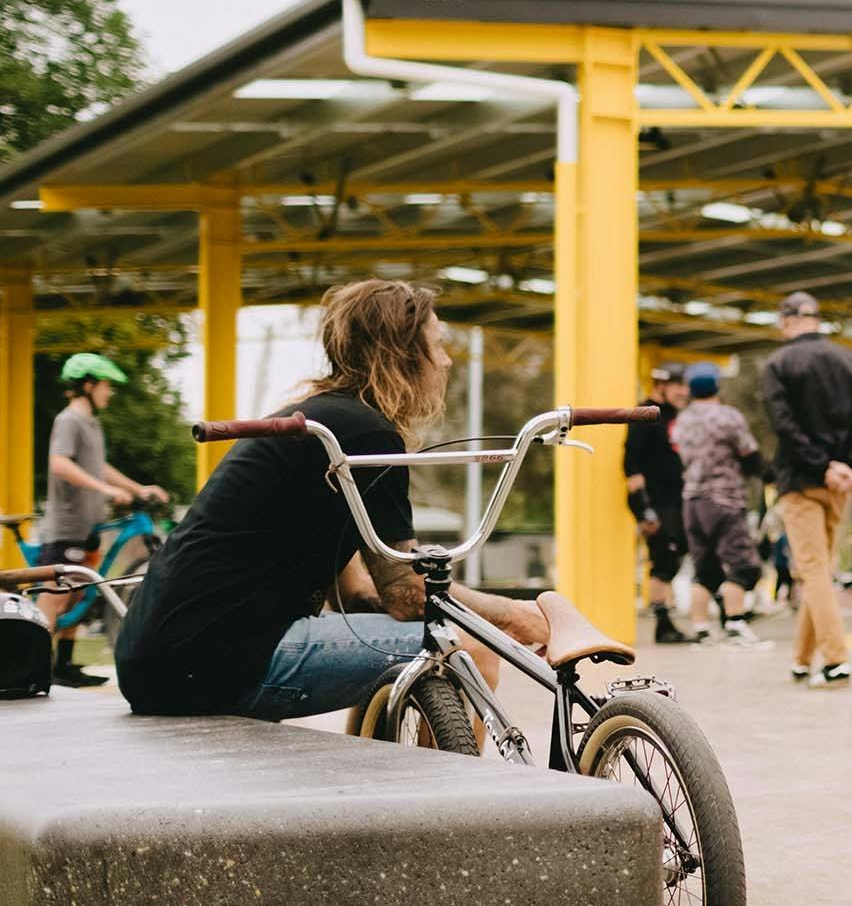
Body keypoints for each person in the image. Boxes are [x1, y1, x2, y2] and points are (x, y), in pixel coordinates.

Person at [115, 281, 549, 722]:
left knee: (402, 643)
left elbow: (359, 593)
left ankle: (379, 778)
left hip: (157, 663)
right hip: (218, 663)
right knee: (467, 647)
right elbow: (409, 594)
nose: (446, 360)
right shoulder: (366, 435)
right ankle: (447, 787)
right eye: (437, 346)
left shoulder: (322, 421)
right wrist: (514, 617)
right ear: (402, 355)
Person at [762, 290, 852, 687]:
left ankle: (835, 661)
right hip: (840, 484)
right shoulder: (850, 360)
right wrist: (847, 466)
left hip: (799, 481)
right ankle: (801, 658)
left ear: (787, 321)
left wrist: (820, 464)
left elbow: (784, 426)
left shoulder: (778, 364)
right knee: (820, 570)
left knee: (812, 570)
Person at [34, 351, 168, 687]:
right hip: (66, 527)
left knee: (79, 594)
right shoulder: (69, 420)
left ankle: (64, 666)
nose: (110, 393)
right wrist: (105, 491)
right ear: (89, 385)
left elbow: (99, 468)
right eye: (106, 386)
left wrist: (138, 488)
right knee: (55, 598)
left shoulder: (91, 424)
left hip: (87, 527)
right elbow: (59, 464)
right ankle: (35, 667)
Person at [671, 362, 770, 648]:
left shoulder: (683, 421)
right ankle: (735, 625)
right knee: (743, 565)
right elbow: (749, 454)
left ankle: (701, 629)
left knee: (705, 569)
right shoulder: (728, 417)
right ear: (717, 386)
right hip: (723, 499)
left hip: (692, 502)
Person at [624, 361, 694, 643]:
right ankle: (663, 623)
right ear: (662, 386)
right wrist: (644, 510)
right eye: (678, 386)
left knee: (678, 552)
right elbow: (631, 465)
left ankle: (665, 617)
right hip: (656, 502)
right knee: (663, 560)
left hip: (676, 500)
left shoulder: (673, 417)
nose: (684, 392)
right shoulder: (644, 415)